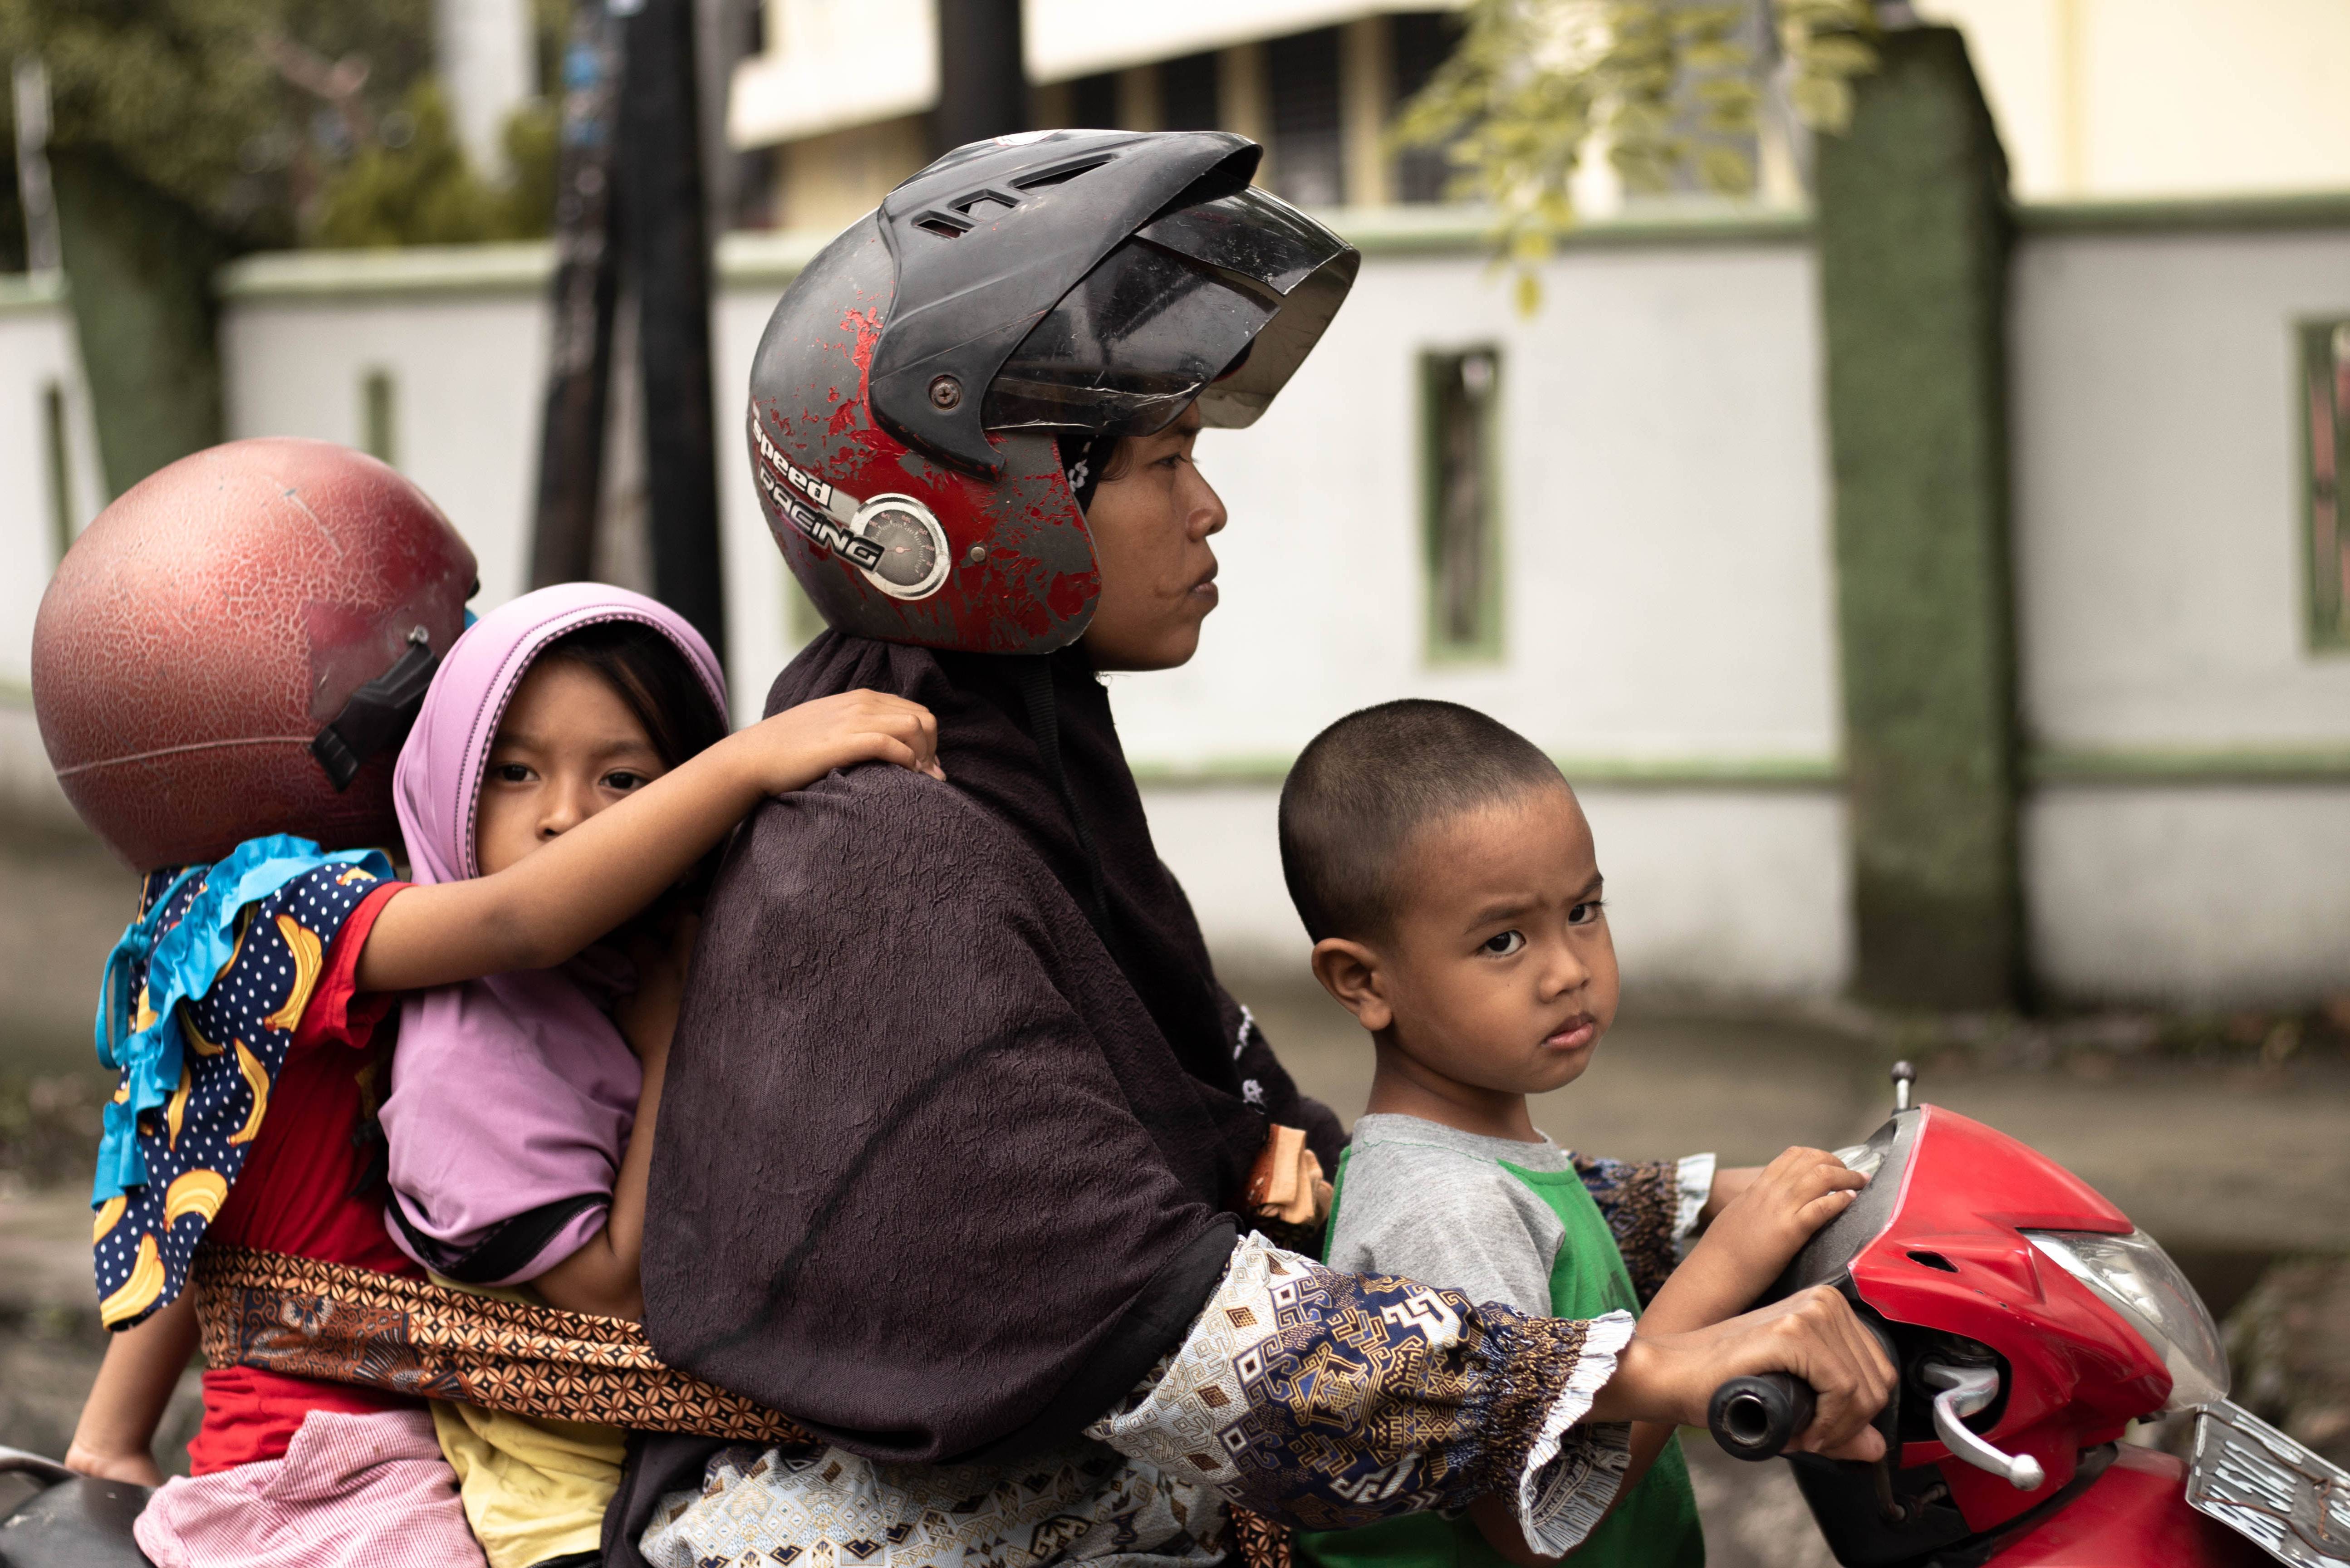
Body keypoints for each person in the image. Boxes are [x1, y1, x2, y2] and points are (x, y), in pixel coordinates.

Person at [611, 128, 1895, 1568]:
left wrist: (1693, 1202)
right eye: (1164, 461)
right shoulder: (881, 850)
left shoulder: (1015, 764)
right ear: (980, 506)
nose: (1208, 506)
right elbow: (1170, 1315)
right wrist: (1635, 1370)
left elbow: (1298, 1177)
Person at [58, 572, 941, 1568]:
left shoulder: (284, 910)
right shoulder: (290, 914)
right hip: (332, 1467)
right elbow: (521, 920)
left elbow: (194, 1181)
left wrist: (110, 1442)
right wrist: (747, 765)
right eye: (511, 769)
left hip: (407, 1433)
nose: (565, 819)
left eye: (623, 779)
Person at [1278, 700, 1872, 1568]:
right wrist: (1727, 1263)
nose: (1570, 970)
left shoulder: (1481, 1154)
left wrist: (1724, 1200)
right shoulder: (1442, 1205)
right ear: (1363, 981)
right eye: (1505, 940)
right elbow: (1531, 1530)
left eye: (1585, 911)